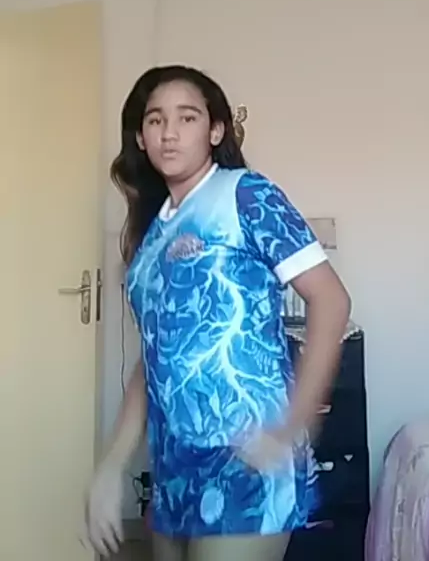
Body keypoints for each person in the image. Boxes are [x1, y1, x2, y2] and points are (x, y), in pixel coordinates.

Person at [86, 65, 351, 561]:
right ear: (140, 137)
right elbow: (154, 358)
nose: (169, 132)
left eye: (187, 118)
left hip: (248, 460)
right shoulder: (151, 235)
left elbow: (332, 301)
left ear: (215, 131)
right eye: (155, 120)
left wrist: (290, 427)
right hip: (173, 468)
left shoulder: (244, 194)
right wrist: (111, 466)